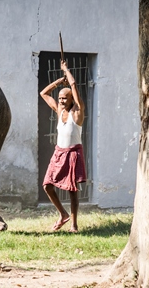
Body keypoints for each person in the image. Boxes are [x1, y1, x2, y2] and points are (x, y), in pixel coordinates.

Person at [40, 59, 87, 233]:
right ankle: (63, 214)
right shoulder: (60, 111)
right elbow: (44, 93)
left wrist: (66, 69)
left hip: (73, 153)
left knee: (72, 190)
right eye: (59, 98)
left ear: (71, 100)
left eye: (64, 98)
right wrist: (60, 81)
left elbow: (74, 85)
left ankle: (74, 225)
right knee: (47, 185)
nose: (60, 101)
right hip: (59, 153)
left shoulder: (78, 112)